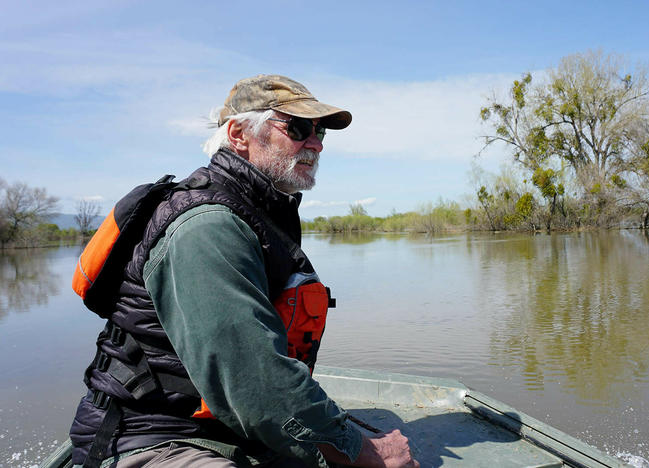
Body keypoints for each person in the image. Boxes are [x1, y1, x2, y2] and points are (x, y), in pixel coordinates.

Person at [69, 75, 419, 468]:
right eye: (298, 128)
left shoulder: (257, 211)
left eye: (320, 131)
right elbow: (257, 383)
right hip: (155, 439)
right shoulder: (206, 227)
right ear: (238, 134)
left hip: (224, 428)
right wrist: (362, 449)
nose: (316, 142)